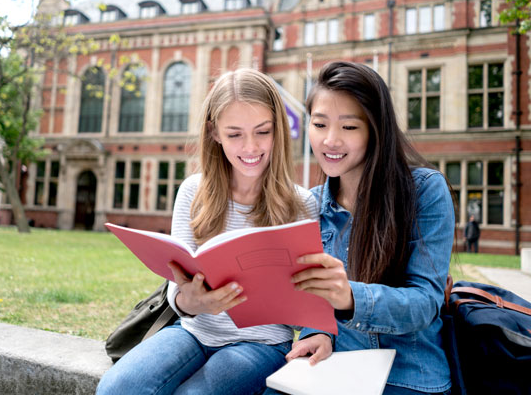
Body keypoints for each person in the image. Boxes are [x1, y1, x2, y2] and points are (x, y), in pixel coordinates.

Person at [96, 68, 319, 395]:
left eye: (262, 132)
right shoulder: (192, 192)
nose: (251, 147)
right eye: (234, 134)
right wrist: (193, 301)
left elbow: (306, 308)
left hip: (262, 344)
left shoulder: (302, 204)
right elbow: (177, 291)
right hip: (193, 331)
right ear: (214, 133)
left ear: (279, 130)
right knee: (116, 388)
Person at [282, 61, 455, 395]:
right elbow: (312, 304)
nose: (330, 140)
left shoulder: (425, 190)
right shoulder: (310, 204)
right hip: (334, 370)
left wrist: (350, 297)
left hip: (409, 374)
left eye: (349, 127)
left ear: (376, 130)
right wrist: (316, 332)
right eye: (319, 124)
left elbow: (425, 301)